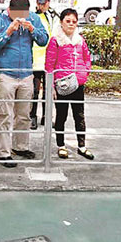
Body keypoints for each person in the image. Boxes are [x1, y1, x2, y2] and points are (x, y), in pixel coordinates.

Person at [0, 0, 49, 168]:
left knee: (24, 114)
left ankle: (20, 146)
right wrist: (8, 32)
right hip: (5, 73)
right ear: (10, 10)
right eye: (18, 15)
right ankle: (2, 153)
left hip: (26, 73)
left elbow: (44, 40)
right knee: (4, 114)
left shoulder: (33, 19)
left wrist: (32, 30)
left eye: (25, 14)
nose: (22, 18)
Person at [45, 8, 94, 160]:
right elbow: (49, 65)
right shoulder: (55, 41)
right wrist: (51, 86)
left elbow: (87, 58)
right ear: (61, 22)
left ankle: (82, 146)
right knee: (61, 115)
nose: (71, 24)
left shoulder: (80, 40)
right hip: (62, 85)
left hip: (78, 84)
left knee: (79, 115)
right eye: (68, 21)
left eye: (74, 21)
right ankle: (61, 145)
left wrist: (84, 72)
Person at [30, 0, 59, 130]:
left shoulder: (54, 16)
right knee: (34, 91)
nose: (42, 5)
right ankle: (32, 117)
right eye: (40, 2)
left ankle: (46, 117)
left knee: (48, 91)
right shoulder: (32, 16)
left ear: (48, 1)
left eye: (45, 2)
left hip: (50, 60)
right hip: (35, 60)